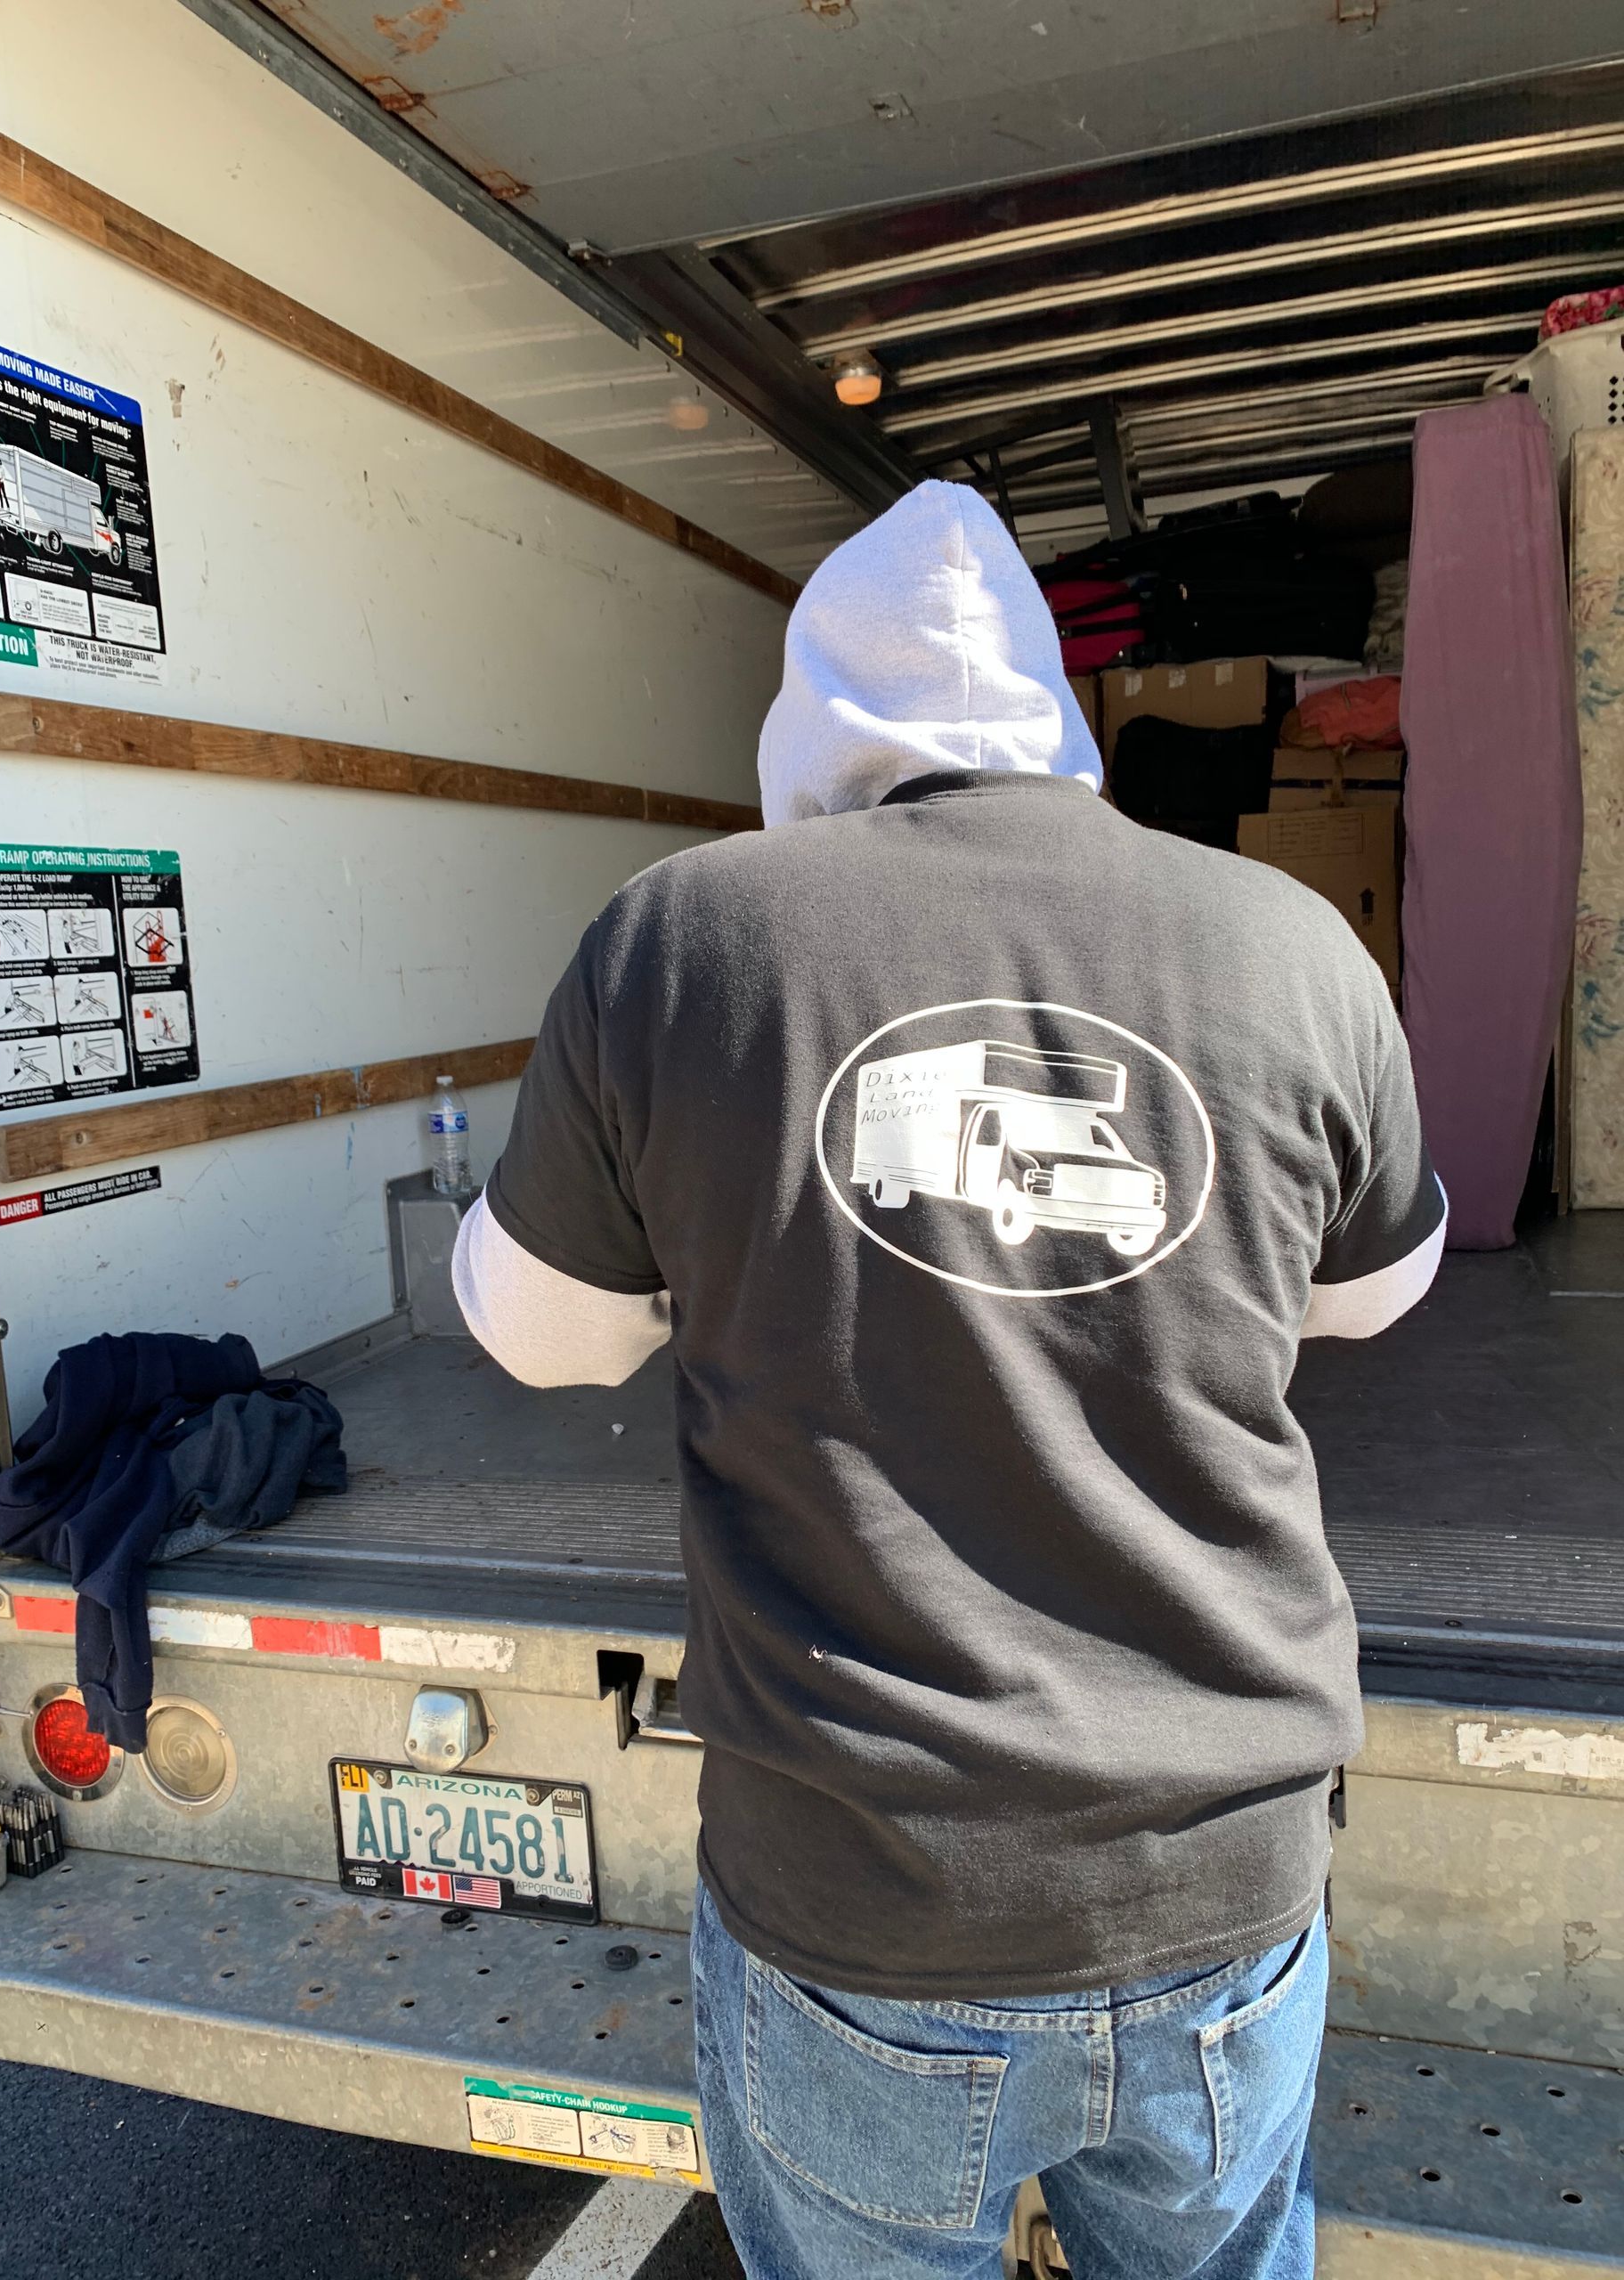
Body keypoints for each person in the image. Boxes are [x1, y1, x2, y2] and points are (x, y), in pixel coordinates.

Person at [452, 482, 1446, 2280]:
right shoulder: (1296, 941)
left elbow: (541, 1331)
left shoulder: (677, 942)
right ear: (1062, 713)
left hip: (863, 1899)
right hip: (1223, 1879)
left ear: (809, 714)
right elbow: (1375, 1292)